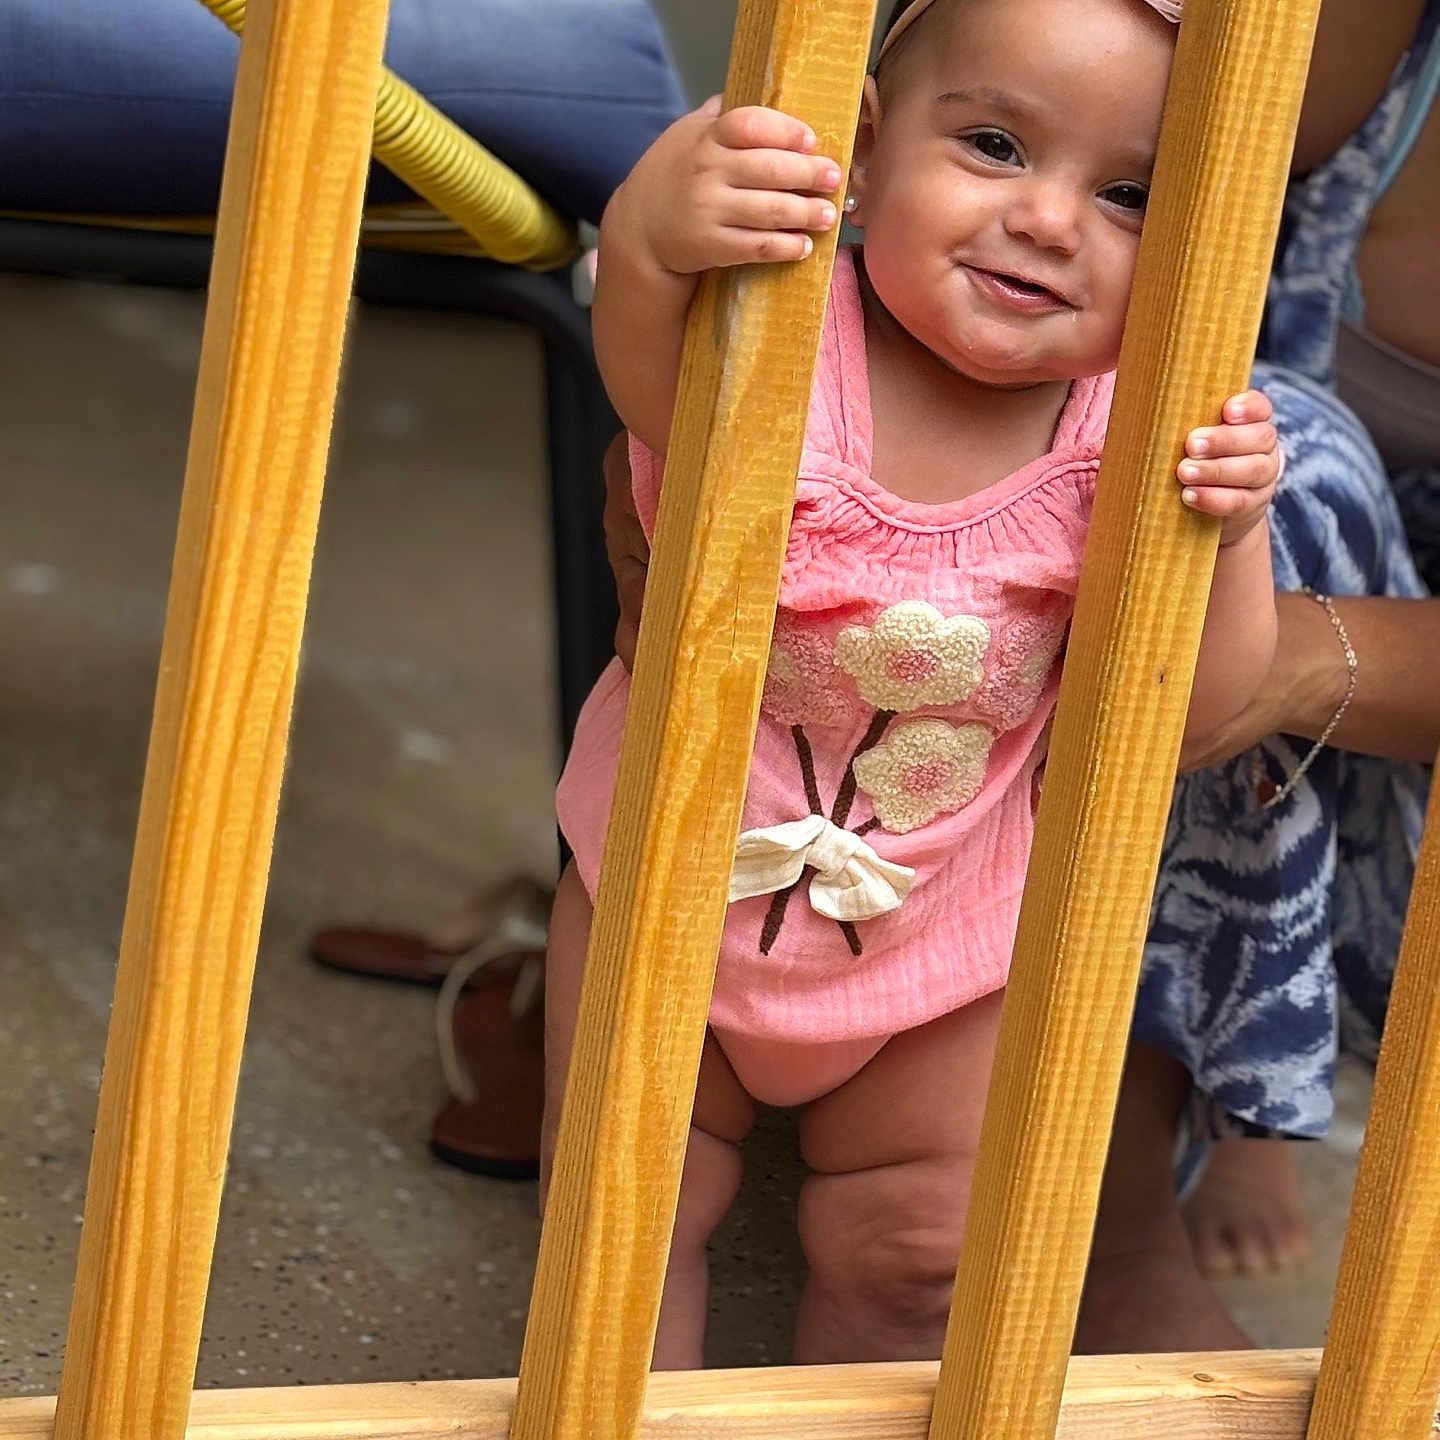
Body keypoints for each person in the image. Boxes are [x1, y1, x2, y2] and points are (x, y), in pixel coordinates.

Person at [548, 0, 1284, 1368]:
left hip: (950, 931)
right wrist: (655, 230)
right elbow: (649, 371)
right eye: (996, 144)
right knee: (624, 1223)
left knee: (918, 1259)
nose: (1051, 221)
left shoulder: (1136, 430)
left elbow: (1187, 711)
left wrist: (1228, 542)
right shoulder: (780, 340)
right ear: (868, 153)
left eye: (1129, 195)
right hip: (667, 874)